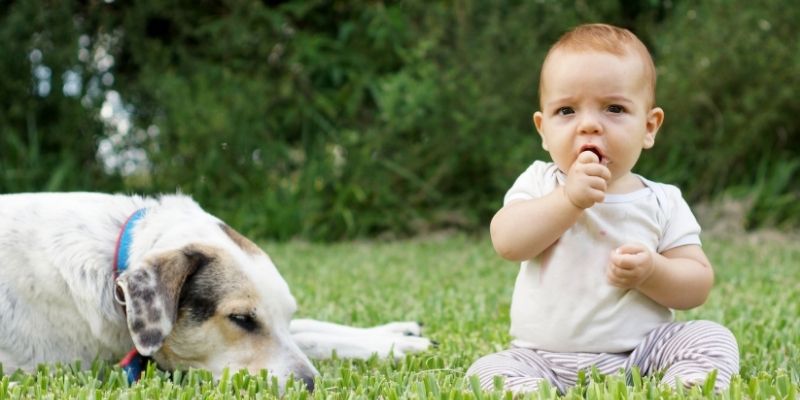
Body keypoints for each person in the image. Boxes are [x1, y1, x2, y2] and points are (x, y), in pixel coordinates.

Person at [466, 23, 739, 394]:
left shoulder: (662, 200)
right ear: (542, 129)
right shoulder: (540, 184)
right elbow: (508, 242)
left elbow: (696, 285)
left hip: (642, 354)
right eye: (566, 110)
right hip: (543, 357)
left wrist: (652, 272)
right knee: (488, 370)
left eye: (614, 108)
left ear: (649, 126)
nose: (589, 125)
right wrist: (568, 200)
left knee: (713, 338)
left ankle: (683, 389)